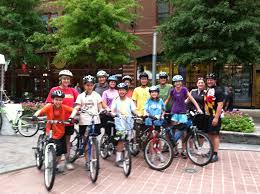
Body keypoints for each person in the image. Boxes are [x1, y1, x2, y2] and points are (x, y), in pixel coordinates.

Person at [33, 90, 73, 172]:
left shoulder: (64, 107)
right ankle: (44, 155)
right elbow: (40, 111)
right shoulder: (49, 107)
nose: (58, 101)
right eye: (56, 99)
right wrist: (35, 115)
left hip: (61, 132)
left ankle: (57, 165)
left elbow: (74, 110)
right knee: (50, 146)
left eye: (60, 100)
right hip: (50, 130)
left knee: (60, 150)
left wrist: (71, 117)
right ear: (52, 100)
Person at [46, 70, 78, 170]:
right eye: (64, 78)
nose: (66, 80)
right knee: (58, 142)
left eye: (68, 79)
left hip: (68, 121)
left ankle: (67, 161)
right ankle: (57, 162)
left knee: (67, 142)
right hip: (57, 122)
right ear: (60, 79)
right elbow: (49, 103)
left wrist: (77, 112)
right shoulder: (54, 89)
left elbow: (77, 104)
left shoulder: (73, 91)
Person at [69, 75, 103, 170]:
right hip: (84, 121)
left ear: (93, 86)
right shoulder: (80, 96)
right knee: (86, 142)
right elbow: (77, 107)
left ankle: (95, 160)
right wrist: (72, 115)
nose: (89, 87)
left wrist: (102, 110)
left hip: (95, 121)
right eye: (87, 85)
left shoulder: (96, 95)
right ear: (84, 86)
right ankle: (88, 161)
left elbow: (100, 106)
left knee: (94, 141)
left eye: (91, 85)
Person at [165, 75, 202, 158]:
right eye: (176, 82)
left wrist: (198, 108)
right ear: (174, 83)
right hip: (174, 112)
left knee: (184, 131)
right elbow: (167, 100)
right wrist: (162, 109)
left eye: (179, 81)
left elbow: (192, 99)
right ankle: (174, 149)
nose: (178, 83)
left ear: (182, 82)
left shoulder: (184, 89)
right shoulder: (172, 91)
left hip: (183, 112)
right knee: (175, 130)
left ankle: (184, 149)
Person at [111, 83, 137, 167]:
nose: (121, 91)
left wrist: (137, 115)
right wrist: (113, 113)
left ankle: (126, 157)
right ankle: (118, 159)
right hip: (119, 122)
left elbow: (134, 110)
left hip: (129, 122)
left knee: (128, 140)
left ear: (126, 91)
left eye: (123, 90)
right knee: (121, 139)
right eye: (120, 90)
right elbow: (112, 109)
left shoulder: (129, 100)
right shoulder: (116, 100)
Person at [204, 73, 224, 162]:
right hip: (208, 116)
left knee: (215, 134)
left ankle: (215, 154)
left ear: (215, 81)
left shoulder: (218, 90)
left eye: (211, 80)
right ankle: (211, 151)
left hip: (214, 116)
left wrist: (216, 118)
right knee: (210, 134)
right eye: (208, 80)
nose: (209, 81)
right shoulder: (208, 90)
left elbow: (220, 105)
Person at [143, 85, 166, 163]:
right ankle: (153, 154)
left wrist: (162, 115)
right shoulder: (148, 101)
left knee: (158, 138)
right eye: (152, 92)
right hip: (150, 122)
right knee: (151, 138)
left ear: (158, 93)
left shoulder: (160, 101)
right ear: (150, 93)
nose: (154, 93)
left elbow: (163, 110)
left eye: (155, 92)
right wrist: (145, 113)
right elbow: (145, 109)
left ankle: (159, 153)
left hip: (158, 122)